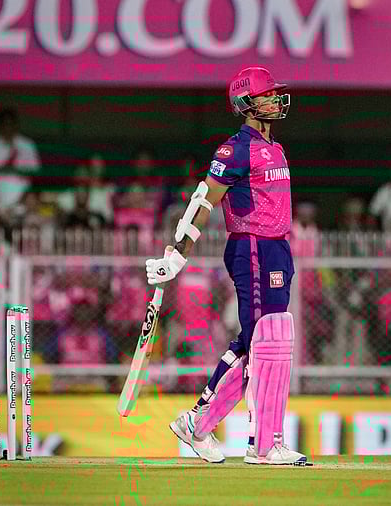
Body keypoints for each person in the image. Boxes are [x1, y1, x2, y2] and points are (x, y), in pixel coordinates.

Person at [144, 66, 307, 466]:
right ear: (246, 103)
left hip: (277, 249)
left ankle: (208, 426)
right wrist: (177, 253)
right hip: (251, 248)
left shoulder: (276, 148)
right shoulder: (234, 150)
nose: (275, 100)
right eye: (267, 95)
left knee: (268, 342)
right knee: (263, 340)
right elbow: (204, 201)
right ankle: (258, 442)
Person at [0, 107, 41, 213]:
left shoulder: (27, 145)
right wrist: (1, 169)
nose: (8, 128)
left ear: (16, 124)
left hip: (23, 201)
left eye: (10, 124)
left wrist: (16, 170)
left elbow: (36, 172)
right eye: (4, 124)